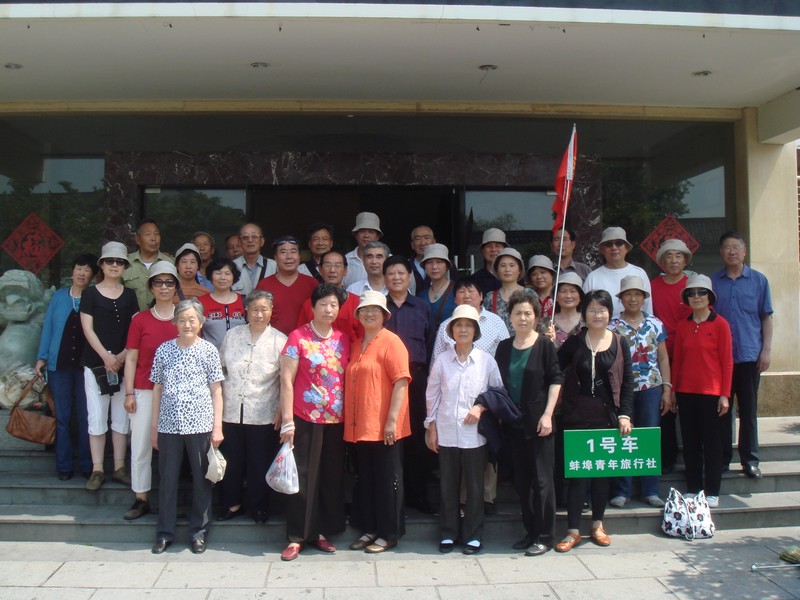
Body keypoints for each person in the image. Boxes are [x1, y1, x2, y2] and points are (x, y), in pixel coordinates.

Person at [556, 290, 633, 552]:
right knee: (578, 475)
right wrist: (549, 344)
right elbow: (555, 368)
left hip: (607, 417)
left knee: (601, 474)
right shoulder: (575, 342)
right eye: (592, 310)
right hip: (577, 416)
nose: (597, 314)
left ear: (609, 313)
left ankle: (598, 525)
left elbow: (628, 382)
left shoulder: (620, 342)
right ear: (584, 313)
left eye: (602, 309)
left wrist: (625, 414)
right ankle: (573, 530)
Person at [278, 284, 350, 561]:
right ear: (313, 306)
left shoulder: (343, 339)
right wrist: (287, 420)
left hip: (337, 420)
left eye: (333, 305)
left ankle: (322, 532)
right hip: (304, 417)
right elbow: (286, 380)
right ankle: (297, 537)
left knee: (330, 478)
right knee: (303, 477)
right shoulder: (297, 337)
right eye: (323, 304)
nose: (328, 309)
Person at [425, 304, 503, 555]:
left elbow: (497, 392)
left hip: (475, 434)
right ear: (451, 330)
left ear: (476, 331)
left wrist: (480, 407)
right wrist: (431, 426)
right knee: (448, 484)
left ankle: (473, 535)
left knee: (475, 486)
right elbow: (432, 395)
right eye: (458, 325)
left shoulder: (485, 361)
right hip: (446, 430)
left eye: (468, 325)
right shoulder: (442, 360)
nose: (463, 329)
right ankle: (448, 533)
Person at [149, 299, 224, 555]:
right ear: (175, 323)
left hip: (200, 424)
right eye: (182, 320)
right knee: (168, 480)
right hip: (169, 425)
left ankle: (198, 532)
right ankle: (164, 533)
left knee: (202, 480)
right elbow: (157, 389)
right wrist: (154, 427)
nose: (187, 325)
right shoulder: (164, 350)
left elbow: (217, 391)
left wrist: (217, 427)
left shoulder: (208, 350)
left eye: (192, 320)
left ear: (201, 322)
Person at [495, 291, 563, 556]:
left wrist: (548, 414)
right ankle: (531, 532)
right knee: (522, 482)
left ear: (536, 317)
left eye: (527, 313)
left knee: (543, 482)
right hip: (513, 424)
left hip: (539, 423)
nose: (522, 318)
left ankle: (546, 536)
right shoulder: (503, 347)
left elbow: (556, 380)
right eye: (517, 313)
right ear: (510, 316)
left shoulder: (545, 345)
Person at [345, 291, 411, 554]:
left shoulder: (392, 342)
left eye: (375, 309)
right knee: (366, 479)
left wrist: (392, 421)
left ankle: (389, 533)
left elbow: (401, 382)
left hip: (384, 425)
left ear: (385, 315)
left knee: (387, 480)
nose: (369, 313)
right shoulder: (356, 343)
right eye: (364, 310)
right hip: (360, 425)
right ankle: (369, 528)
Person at [218, 290, 287, 524]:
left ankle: (259, 507)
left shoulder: (280, 340)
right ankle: (232, 504)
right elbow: (221, 369)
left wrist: (281, 408)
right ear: (246, 310)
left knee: (259, 461)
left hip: (264, 411)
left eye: (264, 309)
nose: (259, 314)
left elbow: (285, 379)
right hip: (231, 409)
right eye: (254, 309)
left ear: (271, 311)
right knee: (232, 460)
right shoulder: (232, 335)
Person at [710, 231, 773, 479]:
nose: (732, 252)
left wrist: (766, 350)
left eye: (736, 247)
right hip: (719, 359)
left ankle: (750, 459)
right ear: (721, 252)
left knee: (748, 410)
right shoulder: (713, 282)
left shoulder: (759, 281)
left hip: (749, 355)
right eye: (727, 247)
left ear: (744, 251)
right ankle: (722, 458)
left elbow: (766, 317)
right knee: (722, 411)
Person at [122, 262, 179, 520]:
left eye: (169, 282)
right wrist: (129, 393)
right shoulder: (140, 319)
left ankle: (173, 500)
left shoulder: (185, 316)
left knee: (176, 450)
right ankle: (141, 498)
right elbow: (131, 358)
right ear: (151, 287)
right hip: (144, 390)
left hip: (178, 393)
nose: (164, 287)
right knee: (141, 446)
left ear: (176, 287)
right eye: (158, 282)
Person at [80, 242, 139, 492]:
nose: (114, 265)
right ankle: (97, 469)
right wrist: (106, 357)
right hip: (95, 364)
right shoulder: (90, 294)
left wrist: (122, 356)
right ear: (102, 265)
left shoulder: (130, 295)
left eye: (119, 262)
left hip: (124, 364)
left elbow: (135, 329)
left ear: (125, 266)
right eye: (110, 261)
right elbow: (87, 329)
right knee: (96, 415)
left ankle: (119, 467)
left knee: (121, 417)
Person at [608, 275, 671, 508]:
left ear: (644, 298)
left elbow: (663, 358)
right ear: (621, 298)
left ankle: (651, 489)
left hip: (650, 387)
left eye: (637, 294)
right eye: (628, 294)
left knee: (649, 436)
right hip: (621, 389)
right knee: (622, 435)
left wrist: (667, 388)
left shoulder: (655, 323)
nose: (633, 299)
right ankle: (622, 490)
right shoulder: (612, 325)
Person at [36, 253, 99, 481]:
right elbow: (48, 328)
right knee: (62, 417)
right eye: (78, 268)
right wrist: (42, 357)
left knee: (85, 417)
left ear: (93, 275)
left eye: (87, 269)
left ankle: (87, 465)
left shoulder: (94, 297)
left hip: (86, 367)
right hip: (59, 366)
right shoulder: (58, 297)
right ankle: (64, 466)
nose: (82, 273)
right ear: (72, 271)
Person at [672, 274, 733, 508]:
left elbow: (727, 362)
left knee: (712, 444)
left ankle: (713, 490)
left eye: (701, 292)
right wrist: (674, 390)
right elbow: (677, 361)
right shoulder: (683, 325)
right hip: (686, 392)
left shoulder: (721, 324)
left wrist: (725, 394)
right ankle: (693, 487)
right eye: (692, 293)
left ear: (710, 297)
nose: (696, 297)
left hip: (712, 394)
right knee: (690, 442)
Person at [382, 255, 437, 514]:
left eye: (401, 273)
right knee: (389, 438)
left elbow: (431, 344)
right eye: (391, 273)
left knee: (416, 438)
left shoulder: (422, 307)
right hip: (385, 381)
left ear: (410, 277)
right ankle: (392, 499)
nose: (396, 278)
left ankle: (418, 495)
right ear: (384, 278)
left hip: (416, 380)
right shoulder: (378, 307)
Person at [650, 238, 693, 474]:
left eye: (678, 256)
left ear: (685, 260)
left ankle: (692, 456)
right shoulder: (653, 286)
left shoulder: (692, 287)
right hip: (661, 354)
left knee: (687, 404)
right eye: (669, 256)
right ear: (661, 261)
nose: (674, 261)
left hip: (689, 354)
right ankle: (667, 457)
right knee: (664, 405)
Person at [432, 276, 509, 361]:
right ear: (455, 299)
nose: (466, 296)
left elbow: (507, 354)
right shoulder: (445, 326)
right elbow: (436, 360)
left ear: (481, 296)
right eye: (462, 292)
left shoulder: (496, 322)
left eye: (470, 291)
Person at [296, 250, 363, 343]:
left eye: (337, 266)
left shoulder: (358, 303)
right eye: (327, 265)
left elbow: (364, 339)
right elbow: (300, 338)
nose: (332, 270)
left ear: (345, 270)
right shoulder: (309, 304)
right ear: (320, 270)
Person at [583, 227, 652, 316]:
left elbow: (647, 308)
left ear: (626, 248)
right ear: (603, 250)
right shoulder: (593, 277)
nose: (614, 247)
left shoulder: (639, 273)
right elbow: (585, 310)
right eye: (609, 244)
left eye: (619, 243)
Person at [256, 236, 318, 335]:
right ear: (275, 257)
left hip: (307, 341)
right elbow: (257, 317)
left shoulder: (312, 284)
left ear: (299, 257)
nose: (289, 256)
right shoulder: (264, 285)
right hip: (273, 341)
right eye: (283, 252)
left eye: (293, 251)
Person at [122, 219, 174, 311]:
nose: (153, 238)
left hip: (162, 317)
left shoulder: (170, 263)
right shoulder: (125, 263)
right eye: (148, 234)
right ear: (138, 240)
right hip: (131, 318)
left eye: (156, 234)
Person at [198, 258, 246, 349]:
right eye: (218, 273)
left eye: (227, 274)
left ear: (233, 277)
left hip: (239, 355)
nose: (223, 277)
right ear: (211, 276)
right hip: (210, 355)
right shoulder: (200, 303)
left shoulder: (244, 301)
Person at [483, 247, 529, 336]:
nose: (507, 269)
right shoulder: (490, 297)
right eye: (503, 266)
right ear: (497, 270)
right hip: (497, 344)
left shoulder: (529, 294)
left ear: (519, 270)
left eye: (512, 265)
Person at [407, 225, 458, 296]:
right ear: (412, 244)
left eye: (426, 238)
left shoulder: (448, 264)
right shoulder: (406, 266)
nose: (423, 243)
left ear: (434, 242)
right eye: (418, 239)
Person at [417, 243, 457, 329]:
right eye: (429, 262)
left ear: (447, 266)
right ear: (424, 267)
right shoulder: (421, 295)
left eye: (439, 262)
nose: (434, 267)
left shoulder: (457, 291)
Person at [232, 223, 277, 296]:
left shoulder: (274, 266)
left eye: (254, 236)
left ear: (262, 241)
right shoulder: (231, 266)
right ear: (239, 242)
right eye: (245, 237)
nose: (250, 240)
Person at [343, 212, 383, 288]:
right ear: (356, 235)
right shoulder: (346, 260)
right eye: (362, 231)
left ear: (377, 236)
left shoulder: (388, 260)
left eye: (371, 232)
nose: (366, 235)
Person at [551, 272, 585, 349]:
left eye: (573, 291)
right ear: (556, 296)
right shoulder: (547, 323)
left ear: (580, 296)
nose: (568, 296)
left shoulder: (587, 322)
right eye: (563, 291)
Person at [472, 228, 507, 295]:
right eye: (489, 246)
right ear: (482, 251)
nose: (493, 249)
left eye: (498, 246)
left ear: (505, 249)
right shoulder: (475, 279)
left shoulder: (514, 277)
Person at [526, 255, 556, 323]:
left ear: (552, 275)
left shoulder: (559, 295)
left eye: (543, 272)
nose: (539, 277)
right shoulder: (527, 297)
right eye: (534, 274)